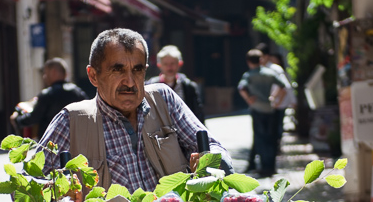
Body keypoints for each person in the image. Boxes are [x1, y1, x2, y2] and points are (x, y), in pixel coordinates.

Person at [38, 28, 232, 192]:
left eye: (137, 70)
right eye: (118, 70)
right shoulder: (72, 121)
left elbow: (216, 150)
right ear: (93, 76)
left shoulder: (164, 100)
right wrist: (60, 191)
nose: (130, 82)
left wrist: (211, 160)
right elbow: (27, 189)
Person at [238, 48, 288, 177]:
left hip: (257, 109)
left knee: (260, 138)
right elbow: (283, 87)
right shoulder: (270, 73)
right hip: (270, 109)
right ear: (261, 60)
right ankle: (270, 166)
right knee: (271, 138)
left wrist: (249, 99)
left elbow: (241, 88)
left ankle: (262, 167)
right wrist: (275, 100)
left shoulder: (248, 75)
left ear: (248, 62)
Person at [11, 58, 86, 140]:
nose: (44, 77)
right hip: (76, 142)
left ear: (53, 72)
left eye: (45, 73)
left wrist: (16, 120)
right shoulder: (77, 92)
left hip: (51, 145)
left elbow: (33, 118)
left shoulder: (47, 94)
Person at [146, 45, 205, 123]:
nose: (169, 67)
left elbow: (198, 114)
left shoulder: (188, 87)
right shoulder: (150, 86)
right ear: (159, 65)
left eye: (172, 63)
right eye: (165, 64)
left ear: (179, 64)